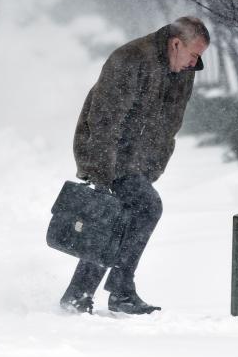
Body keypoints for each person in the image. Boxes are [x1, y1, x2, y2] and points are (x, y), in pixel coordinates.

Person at [59, 16, 210, 315]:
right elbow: (104, 120)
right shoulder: (130, 58)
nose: (195, 63)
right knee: (145, 207)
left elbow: (171, 123)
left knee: (117, 218)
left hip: (138, 158)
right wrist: (102, 175)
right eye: (193, 55)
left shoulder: (184, 71)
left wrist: (154, 167)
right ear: (176, 44)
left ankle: (79, 295)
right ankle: (119, 290)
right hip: (106, 151)